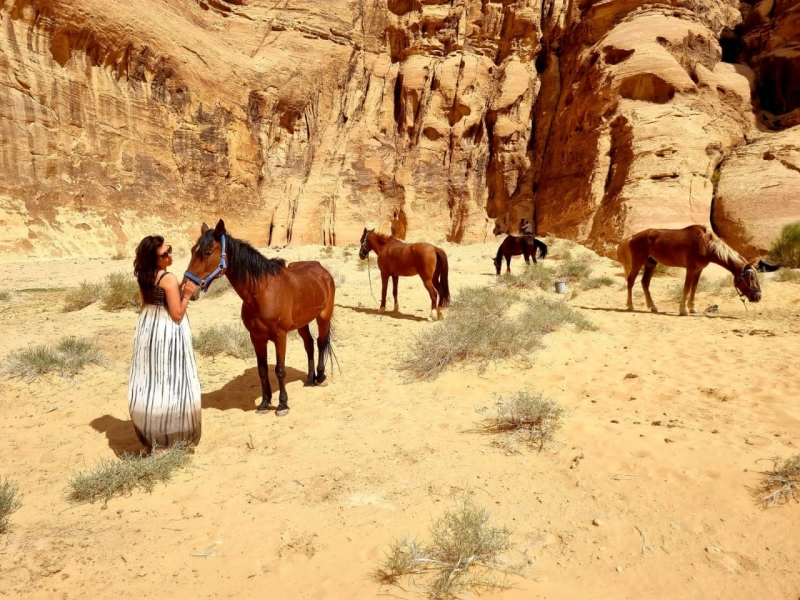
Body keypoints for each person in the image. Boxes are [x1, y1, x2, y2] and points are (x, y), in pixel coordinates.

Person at [129, 235, 201, 450]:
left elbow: (144, 303)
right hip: (168, 331)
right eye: (164, 254)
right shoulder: (168, 279)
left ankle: (153, 433)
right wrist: (187, 294)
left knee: (152, 381)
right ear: (154, 258)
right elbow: (177, 314)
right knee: (173, 380)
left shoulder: (143, 275)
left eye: (169, 250)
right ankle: (171, 438)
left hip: (148, 328)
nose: (169, 256)